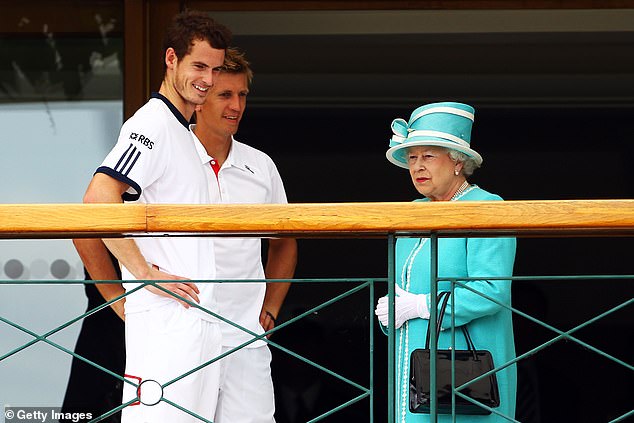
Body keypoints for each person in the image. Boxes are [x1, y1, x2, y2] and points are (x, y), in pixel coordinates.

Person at [73, 10, 231, 423]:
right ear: (170, 59)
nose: (209, 79)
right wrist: (142, 273)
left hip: (195, 321)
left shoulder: (184, 133)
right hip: (166, 325)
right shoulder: (152, 123)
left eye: (215, 69)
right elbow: (98, 198)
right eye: (199, 65)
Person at [374, 101, 517, 422]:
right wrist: (393, 310)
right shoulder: (411, 212)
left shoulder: (487, 206)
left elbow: (491, 290)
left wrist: (423, 306)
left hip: (468, 370)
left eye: (428, 156)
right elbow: (404, 288)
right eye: (412, 157)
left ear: (457, 162)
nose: (417, 166)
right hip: (413, 367)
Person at [191, 47, 297, 423]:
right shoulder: (170, 155)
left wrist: (270, 307)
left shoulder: (260, 164)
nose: (236, 105)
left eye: (242, 95)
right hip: (180, 336)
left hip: (245, 337)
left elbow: (285, 240)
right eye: (225, 95)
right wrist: (120, 300)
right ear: (200, 98)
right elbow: (97, 219)